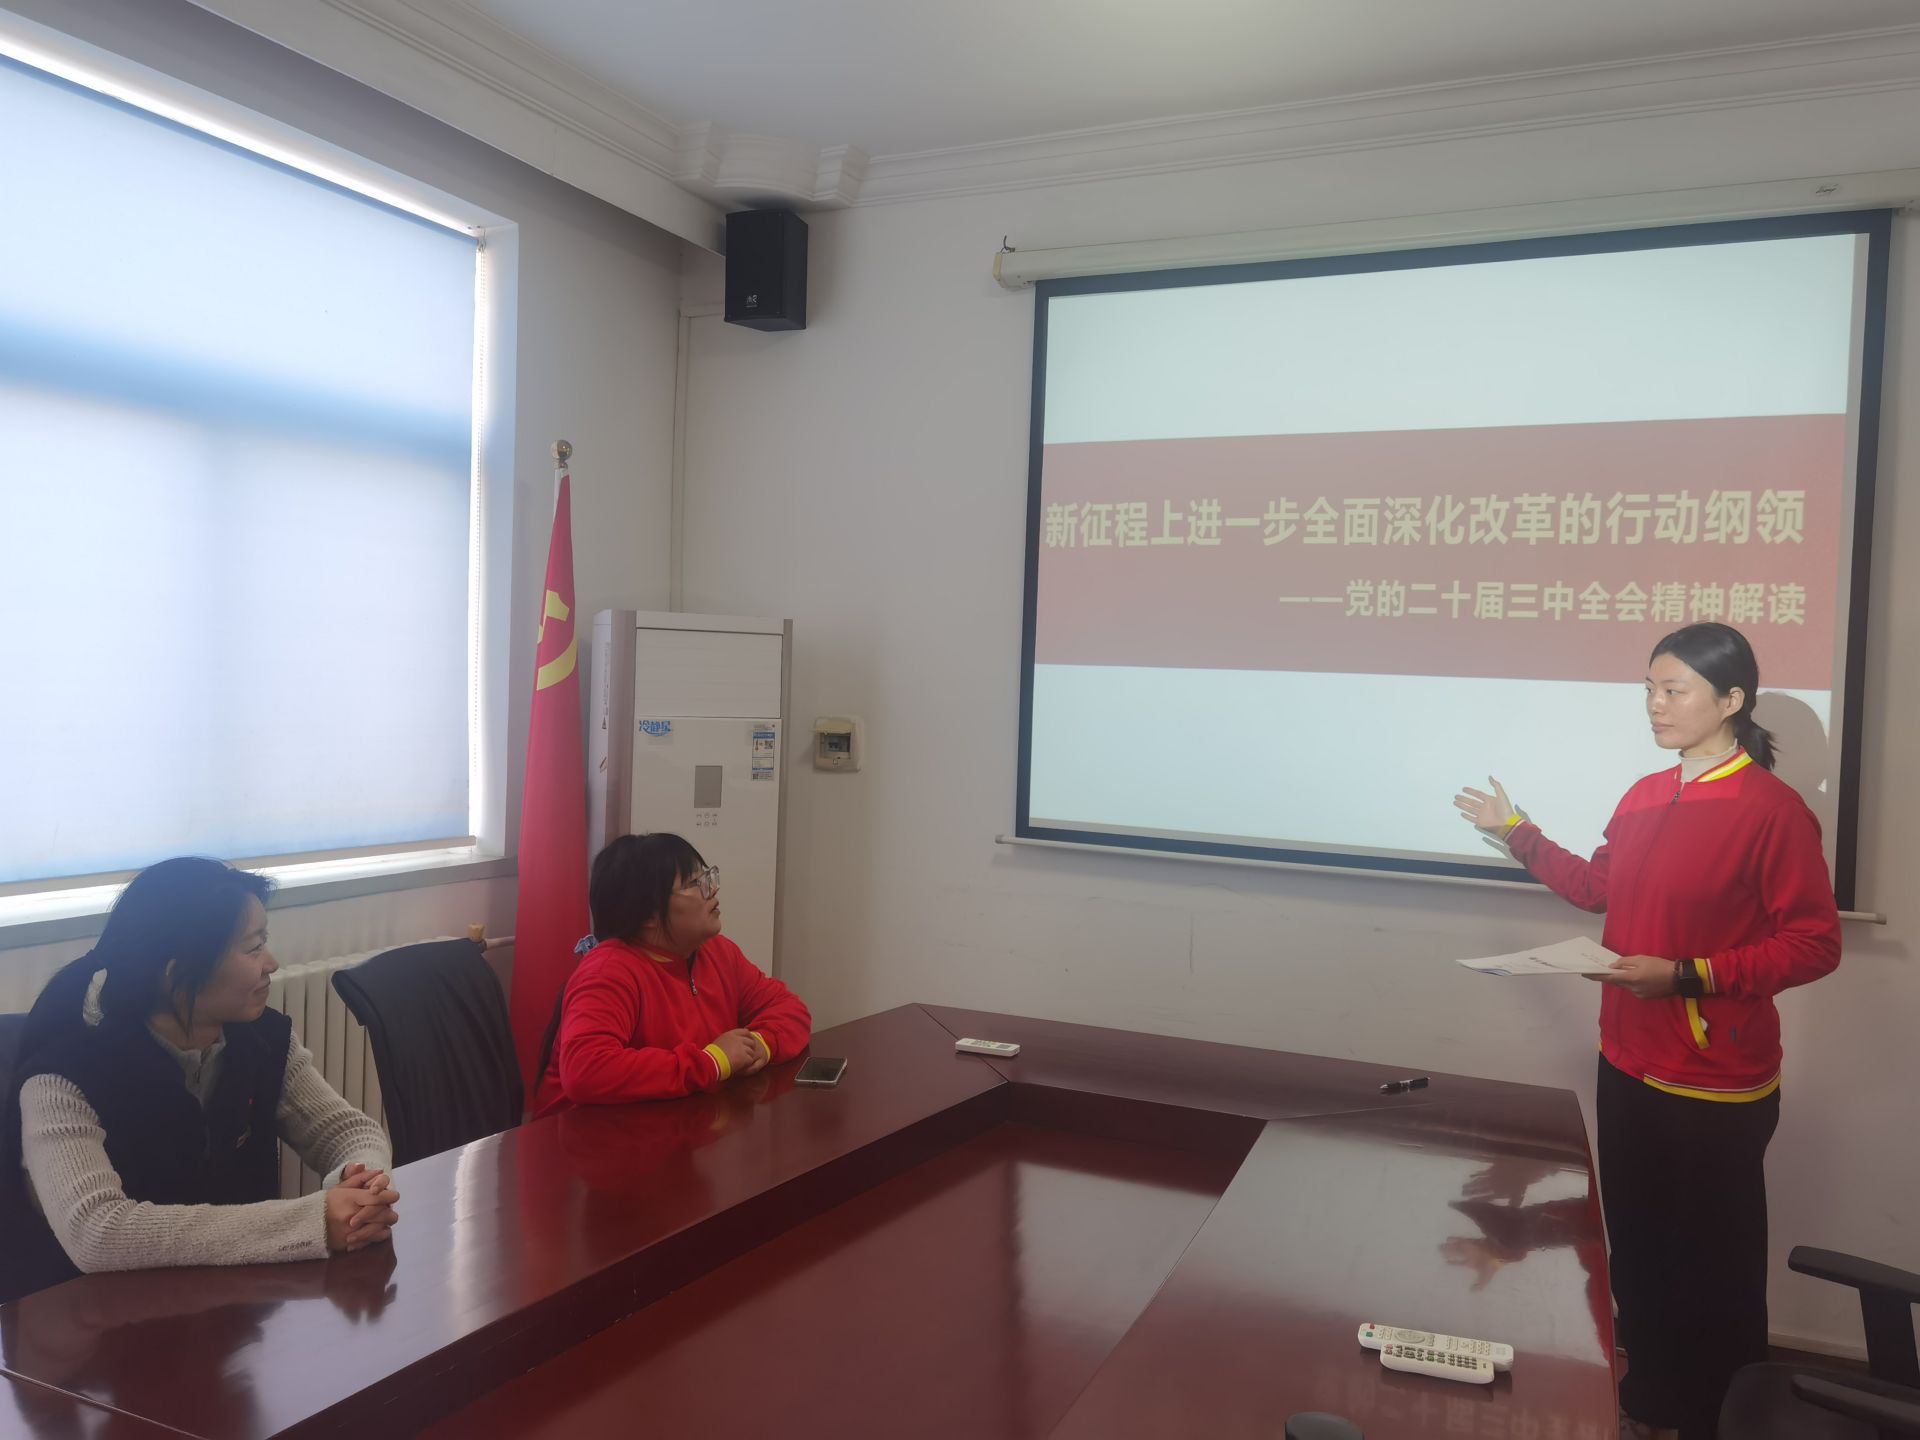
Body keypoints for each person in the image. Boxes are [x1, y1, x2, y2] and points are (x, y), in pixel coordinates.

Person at [1453, 623, 1840, 1440]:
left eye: (1674, 691)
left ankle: (1714, 1419)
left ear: (1731, 701)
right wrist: (1517, 830)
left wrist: (1687, 975)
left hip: (1715, 1084)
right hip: (1626, 1061)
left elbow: (1814, 944)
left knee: (1715, 1274)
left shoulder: (1772, 812)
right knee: (1638, 1251)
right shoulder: (1642, 795)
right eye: (1650, 690)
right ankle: (1649, 1405)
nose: (1656, 706)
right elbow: (1599, 889)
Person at [2, 858, 399, 1304]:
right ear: (177, 974)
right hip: (86, 1319)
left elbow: (349, 1131)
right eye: (253, 948)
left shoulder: (263, 1039)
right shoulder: (61, 1078)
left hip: (227, 1305)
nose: (271, 963)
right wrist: (313, 1222)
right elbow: (98, 1231)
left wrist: (361, 1185)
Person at [531, 833, 811, 1117]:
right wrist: (712, 1061)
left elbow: (790, 1009)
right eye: (695, 884)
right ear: (648, 915)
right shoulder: (608, 971)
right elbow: (586, 1071)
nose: (713, 889)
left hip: (672, 1125)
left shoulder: (717, 952)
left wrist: (763, 1044)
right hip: (586, 1134)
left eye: (708, 877)